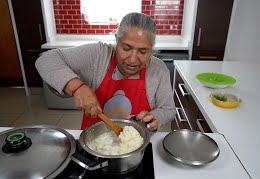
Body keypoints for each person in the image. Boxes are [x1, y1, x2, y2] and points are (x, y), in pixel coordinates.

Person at [35, 12, 176, 131]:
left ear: (152, 49)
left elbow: (168, 109)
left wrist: (154, 117)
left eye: (143, 51)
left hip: (137, 142)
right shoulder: (99, 55)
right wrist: (77, 87)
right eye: (126, 48)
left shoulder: (159, 70)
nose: (133, 59)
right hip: (94, 139)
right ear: (116, 40)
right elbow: (45, 60)